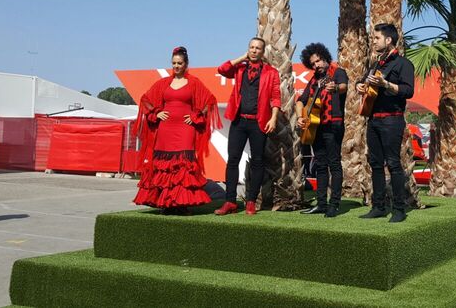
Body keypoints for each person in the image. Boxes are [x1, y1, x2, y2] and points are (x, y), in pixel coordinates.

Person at [133, 47, 221, 215]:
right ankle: (166, 203)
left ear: (186, 64)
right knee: (164, 167)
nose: (176, 66)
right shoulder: (163, 83)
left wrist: (195, 117)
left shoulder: (194, 82)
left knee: (183, 166)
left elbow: (210, 101)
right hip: (165, 129)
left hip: (185, 129)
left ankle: (182, 204)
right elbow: (145, 99)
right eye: (174, 63)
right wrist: (157, 112)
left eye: (180, 63)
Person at [355, 23, 415, 223]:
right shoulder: (376, 64)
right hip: (373, 121)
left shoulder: (403, 64)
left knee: (393, 164)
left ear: (388, 40)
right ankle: (378, 207)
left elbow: (408, 91)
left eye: (376, 38)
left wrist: (387, 84)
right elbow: (362, 81)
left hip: (392, 119)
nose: (373, 41)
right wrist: (360, 86)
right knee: (375, 164)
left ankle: (399, 209)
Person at [214, 37, 281, 216]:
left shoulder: (271, 72)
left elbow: (275, 96)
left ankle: (251, 201)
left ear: (263, 51)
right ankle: (230, 201)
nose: (254, 50)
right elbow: (222, 69)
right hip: (238, 121)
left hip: (259, 122)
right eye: (251, 47)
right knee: (233, 160)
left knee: (258, 161)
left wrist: (273, 118)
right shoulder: (239, 68)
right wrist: (240, 58)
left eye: (258, 48)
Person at [296, 43, 348, 218]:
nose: (316, 65)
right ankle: (321, 204)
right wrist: (299, 116)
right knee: (320, 165)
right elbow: (300, 100)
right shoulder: (313, 79)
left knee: (334, 164)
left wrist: (335, 87)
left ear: (325, 57)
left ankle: (334, 204)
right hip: (315, 126)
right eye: (313, 63)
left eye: (318, 61)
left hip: (333, 125)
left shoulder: (337, 72)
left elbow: (343, 87)